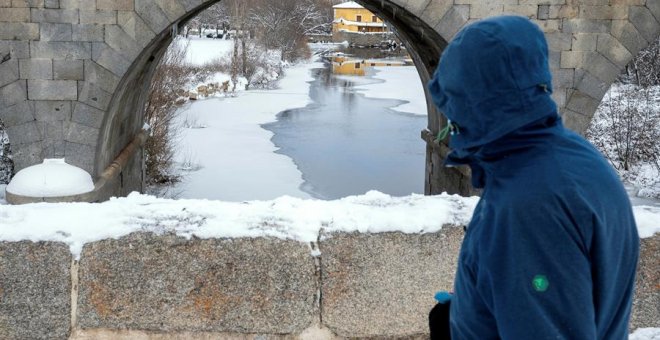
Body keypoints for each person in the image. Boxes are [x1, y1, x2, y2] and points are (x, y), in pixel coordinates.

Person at [427, 16, 640, 339]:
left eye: (453, 101)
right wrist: (474, 308)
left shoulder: (528, 207)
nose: (451, 120)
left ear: (472, 100)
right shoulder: (574, 158)